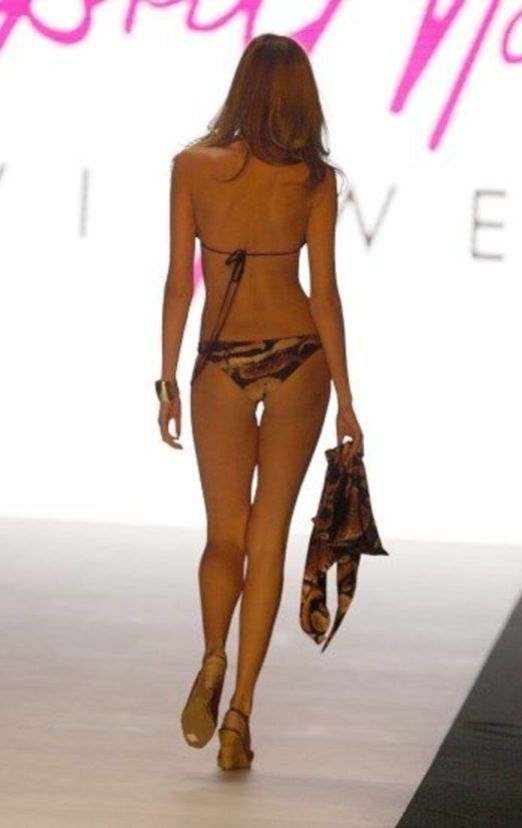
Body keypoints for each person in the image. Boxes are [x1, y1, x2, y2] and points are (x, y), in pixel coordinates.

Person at [155, 33, 363, 770]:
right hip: (300, 355)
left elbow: (180, 282)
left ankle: (213, 653)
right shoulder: (313, 180)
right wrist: (346, 399)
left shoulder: (193, 167)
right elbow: (325, 293)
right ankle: (240, 714)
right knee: (269, 534)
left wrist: (167, 378)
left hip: (219, 361)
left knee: (225, 536)